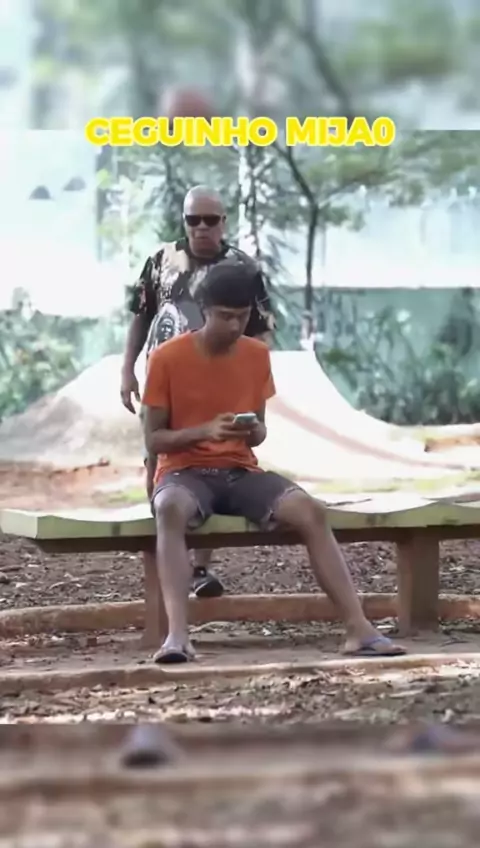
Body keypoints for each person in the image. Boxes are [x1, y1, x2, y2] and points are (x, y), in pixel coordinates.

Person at [142, 263, 406, 664]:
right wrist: (203, 431)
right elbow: (154, 439)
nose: (234, 326)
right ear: (204, 310)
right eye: (225, 316)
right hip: (184, 472)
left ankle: (359, 630)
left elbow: (260, 432)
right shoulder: (167, 358)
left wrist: (251, 431)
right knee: (169, 508)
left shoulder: (256, 355)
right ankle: (177, 637)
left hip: (239, 470)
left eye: (242, 316)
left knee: (309, 510)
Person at [120, 185, 275, 599]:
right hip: (164, 376)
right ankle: (166, 556)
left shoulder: (243, 268)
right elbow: (140, 316)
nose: (201, 228)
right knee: (158, 460)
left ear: (224, 222)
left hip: (220, 380)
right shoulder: (160, 261)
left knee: (218, 460)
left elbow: (261, 328)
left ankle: (200, 567)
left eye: (210, 220)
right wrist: (127, 370)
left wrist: (251, 376)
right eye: (193, 220)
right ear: (184, 221)